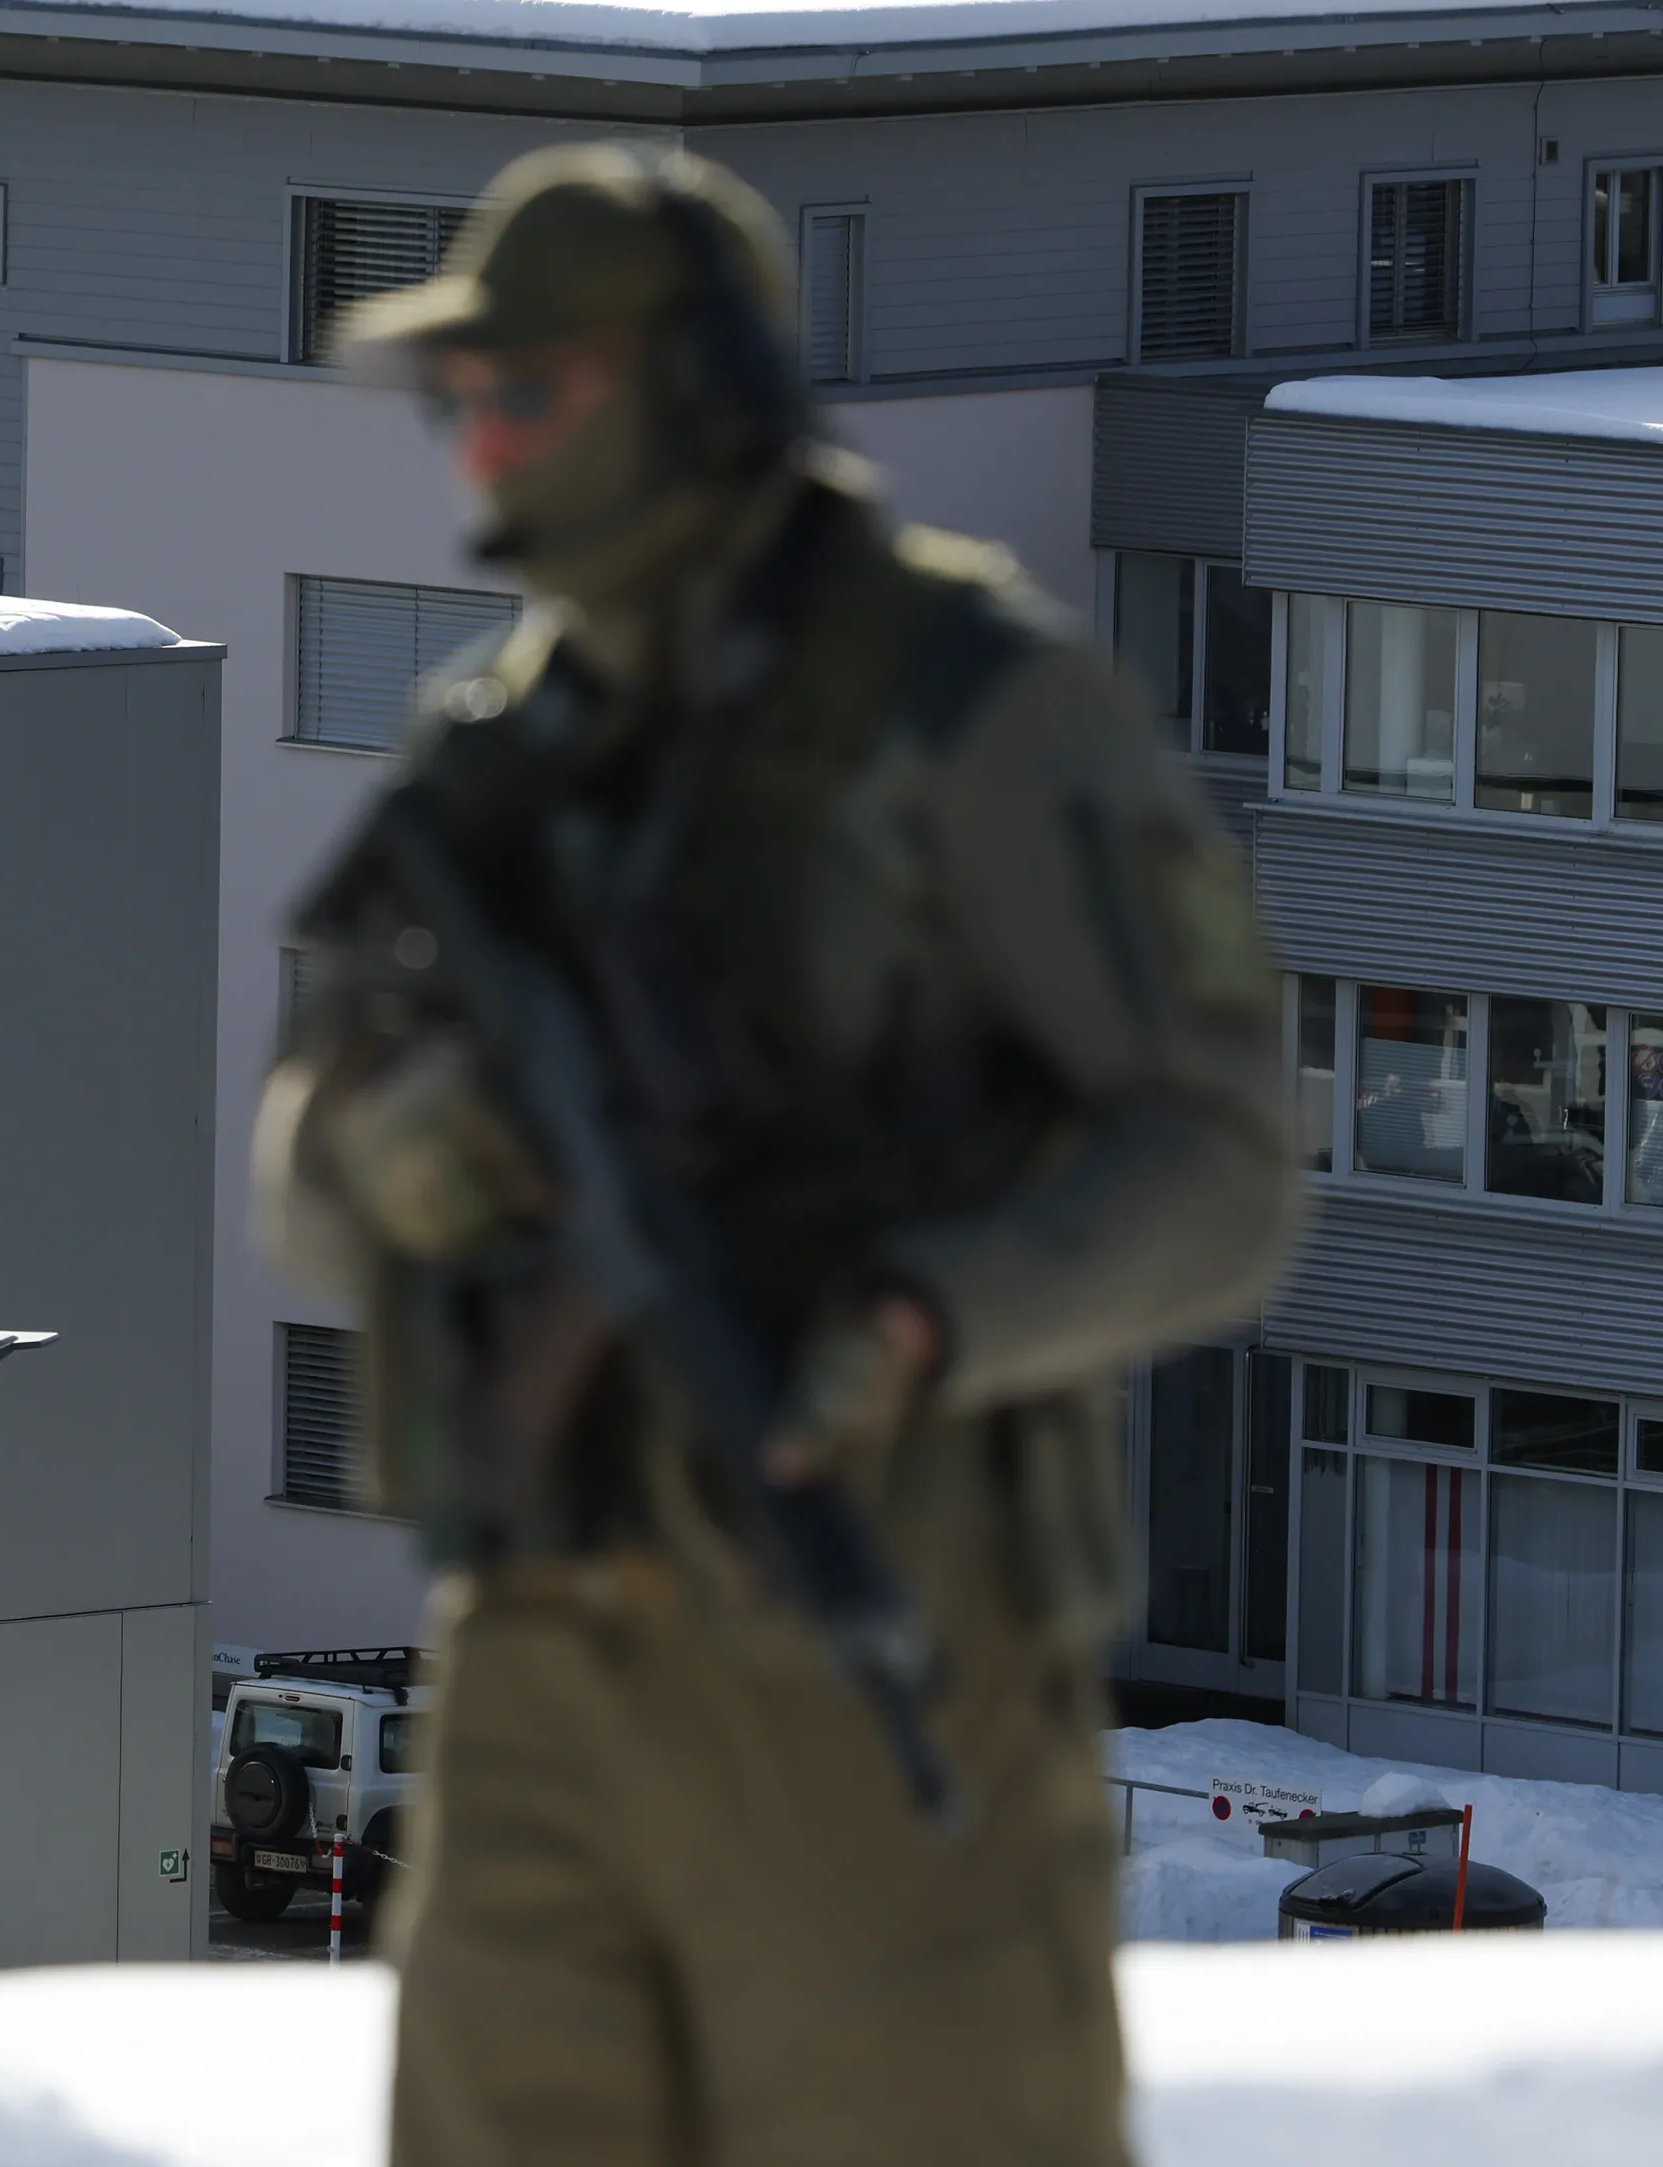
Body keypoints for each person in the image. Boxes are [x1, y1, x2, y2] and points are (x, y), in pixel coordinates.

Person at [253, 143, 1302, 2167]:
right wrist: (400, 1149)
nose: (483, 440)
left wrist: (929, 1313)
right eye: (464, 396)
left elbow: (1220, 1164)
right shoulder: (497, 751)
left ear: (697, 390)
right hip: (540, 1663)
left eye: (529, 388)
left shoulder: (973, 711)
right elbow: (298, 1171)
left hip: (880, 1646)